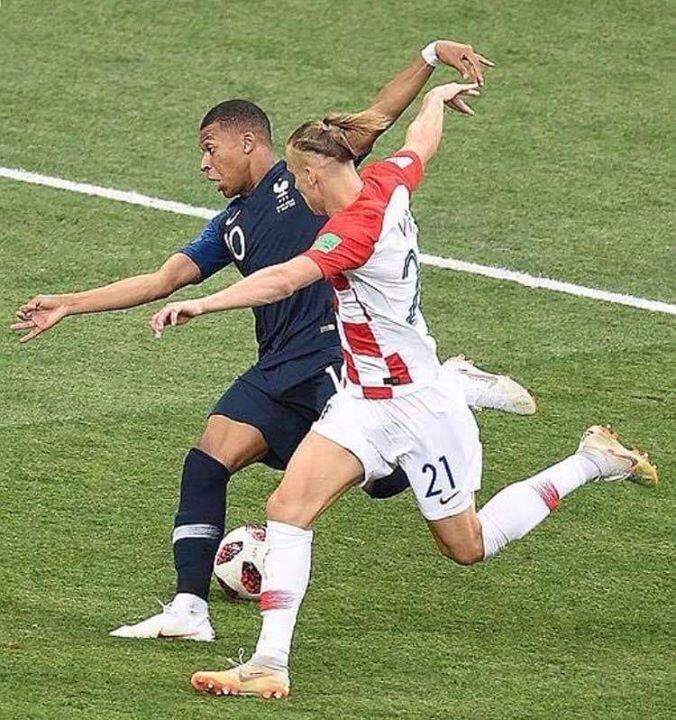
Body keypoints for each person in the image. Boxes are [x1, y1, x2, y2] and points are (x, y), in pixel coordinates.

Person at [149, 79, 658, 699]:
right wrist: (436, 99)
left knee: (467, 546)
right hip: (361, 403)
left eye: (299, 181)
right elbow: (420, 143)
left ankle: (590, 461)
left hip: (419, 408)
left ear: (313, 175)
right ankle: (267, 663)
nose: (297, 192)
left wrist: (204, 305)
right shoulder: (388, 180)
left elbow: (282, 280)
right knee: (287, 509)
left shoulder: (352, 232)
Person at [11, 40, 533, 644]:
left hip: (337, 361)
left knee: (389, 484)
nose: (204, 164)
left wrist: (430, 55)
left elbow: (382, 116)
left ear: (247, 142)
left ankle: (446, 386)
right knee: (208, 459)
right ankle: (189, 608)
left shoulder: (311, 173)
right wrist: (70, 303)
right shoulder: (229, 226)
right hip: (279, 367)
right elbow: (162, 279)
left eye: (210, 148)